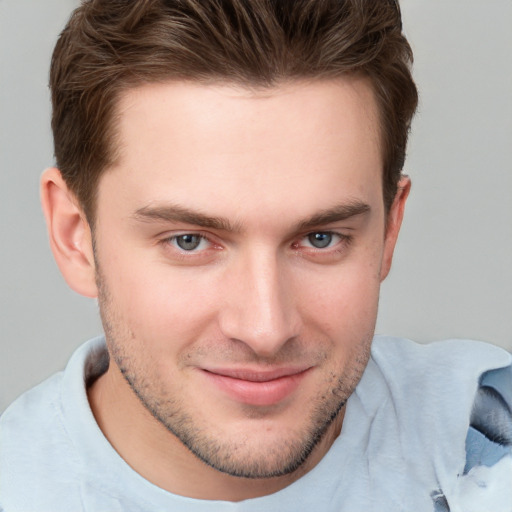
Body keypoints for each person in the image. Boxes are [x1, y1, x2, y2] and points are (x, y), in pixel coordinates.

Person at [1, 0, 511, 510]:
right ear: (75, 236)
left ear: (390, 228)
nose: (265, 329)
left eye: (321, 238)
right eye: (190, 241)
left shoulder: (491, 438)